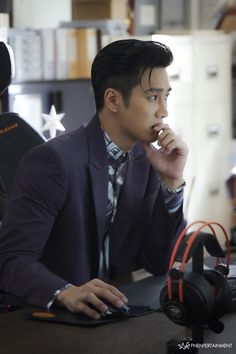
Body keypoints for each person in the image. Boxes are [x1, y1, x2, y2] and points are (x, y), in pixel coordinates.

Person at [0, 39, 188, 319]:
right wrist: (64, 291)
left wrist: (172, 182)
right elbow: (11, 260)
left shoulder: (146, 161)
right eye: (152, 97)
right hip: (53, 320)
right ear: (113, 99)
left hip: (113, 312)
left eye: (166, 97)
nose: (164, 111)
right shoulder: (53, 161)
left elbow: (159, 262)